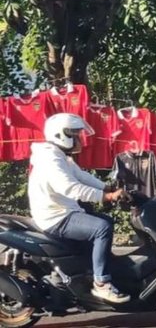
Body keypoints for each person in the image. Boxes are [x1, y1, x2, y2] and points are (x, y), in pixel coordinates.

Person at [28, 113, 131, 304]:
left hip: (63, 211)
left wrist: (108, 187)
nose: (78, 139)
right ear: (61, 135)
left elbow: (81, 176)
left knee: (106, 221)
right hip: (56, 217)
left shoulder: (59, 156)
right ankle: (102, 284)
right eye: (75, 134)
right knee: (101, 228)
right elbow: (71, 188)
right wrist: (106, 196)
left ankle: (98, 267)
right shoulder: (51, 159)